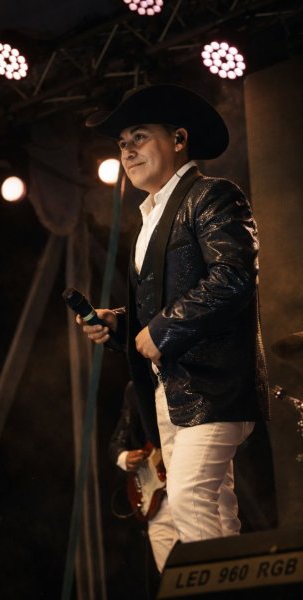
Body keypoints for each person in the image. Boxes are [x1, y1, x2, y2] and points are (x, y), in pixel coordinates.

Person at [77, 84, 270, 570]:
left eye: (139, 137)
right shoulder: (148, 220)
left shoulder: (212, 195)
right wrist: (120, 324)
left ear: (179, 139)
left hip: (214, 386)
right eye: (122, 144)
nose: (127, 151)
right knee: (214, 508)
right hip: (170, 393)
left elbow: (234, 277)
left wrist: (161, 329)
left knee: (189, 498)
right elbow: (159, 309)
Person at [109, 381, 176, 574]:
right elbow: (116, 442)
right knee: (170, 577)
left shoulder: (183, 376)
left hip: (189, 488)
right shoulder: (135, 387)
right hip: (156, 500)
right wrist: (124, 457)